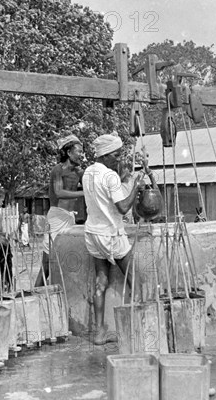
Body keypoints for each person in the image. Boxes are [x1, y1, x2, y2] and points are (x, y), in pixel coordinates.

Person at [83, 133, 148, 345]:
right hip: (111, 234)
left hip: (92, 234)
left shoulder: (87, 173)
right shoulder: (110, 175)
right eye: (116, 155)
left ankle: (99, 333)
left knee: (101, 282)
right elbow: (122, 207)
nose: (119, 159)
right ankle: (138, 329)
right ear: (105, 155)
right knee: (135, 279)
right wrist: (136, 187)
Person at [35, 135, 84, 287]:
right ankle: (37, 290)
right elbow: (58, 192)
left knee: (66, 255)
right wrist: (83, 193)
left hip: (70, 217)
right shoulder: (58, 169)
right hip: (57, 216)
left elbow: (91, 183)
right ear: (69, 152)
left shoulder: (78, 171)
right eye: (79, 151)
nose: (82, 155)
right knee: (48, 260)